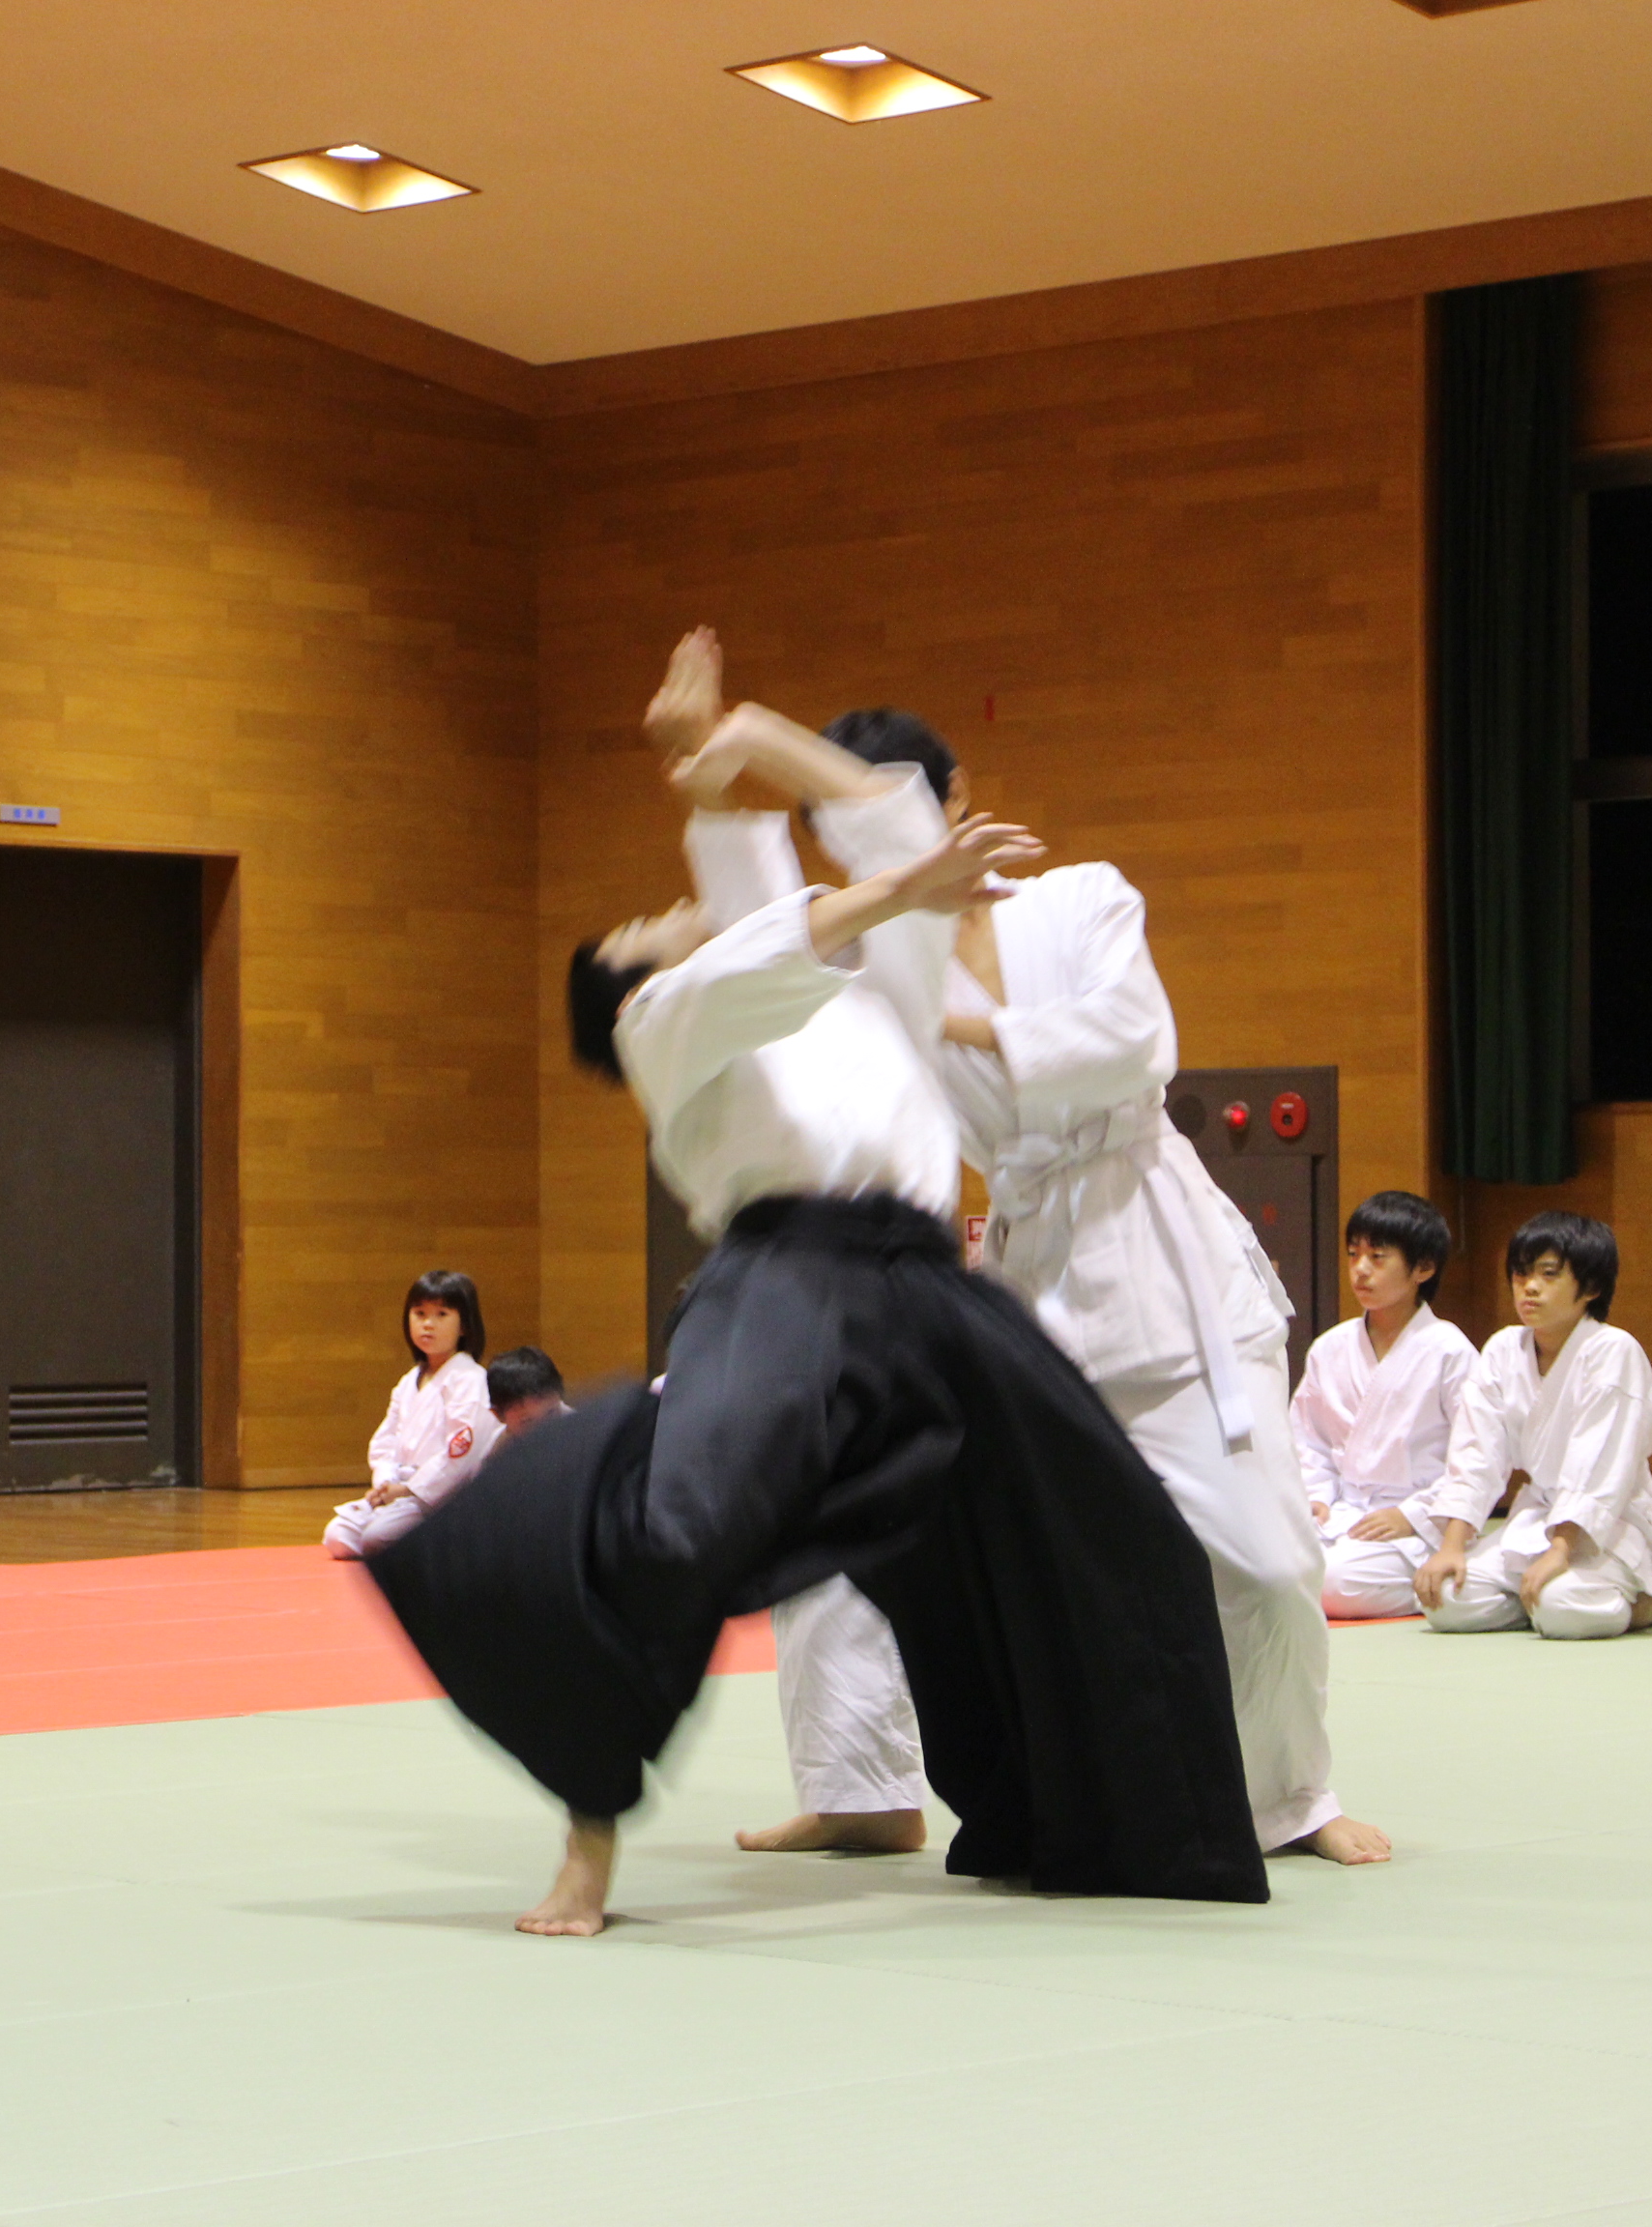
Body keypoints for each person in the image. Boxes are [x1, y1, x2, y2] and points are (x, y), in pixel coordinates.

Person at [373, 643, 1266, 1934]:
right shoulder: (663, 1025)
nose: (663, 912)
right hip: (787, 1283)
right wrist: (875, 868)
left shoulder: (857, 986)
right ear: (627, 984)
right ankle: (588, 1838)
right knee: (678, 1531)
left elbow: (826, 851)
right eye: (639, 929)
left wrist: (723, 746)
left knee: (1112, 1524)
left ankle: (1096, 1821)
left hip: (930, 1288)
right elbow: (775, 935)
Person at [804, 674, 1385, 1865]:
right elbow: (767, 953)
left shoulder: (1080, 899)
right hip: (1032, 1287)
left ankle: (1289, 1799)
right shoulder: (876, 972)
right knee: (981, 1566)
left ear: (956, 798)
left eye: (897, 814)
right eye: (850, 837)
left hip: (1165, 1260)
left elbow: (1136, 1043)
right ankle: (982, 1792)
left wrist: (962, 1026)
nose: (884, 850)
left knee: (1271, 1563)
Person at [1412, 1212, 1652, 1639]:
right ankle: (1533, 1599)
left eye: (1548, 1274)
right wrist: (1452, 1547)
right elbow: (1476, 1455)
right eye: (1521, 1273)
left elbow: (1600, 1465)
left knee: (1563, 1609)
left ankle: (1640, 1605)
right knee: (1445, 1599)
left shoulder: (1613, 1351)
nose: (1529, 1287)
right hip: (1539, 1516)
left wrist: (1561, 1551)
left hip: (1609, 1524)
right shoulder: (1503, 1349)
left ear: (1591, 1286)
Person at [1292, 1192, 1478, 1620]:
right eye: (1353, 1254)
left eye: (1377, 1257)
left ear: (1423, 1268)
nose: (1360, 1269)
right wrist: (1315, 1497)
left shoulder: (1450, 1351)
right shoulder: (1331, 1348)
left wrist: (1411, 1515)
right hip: (1340, 1513)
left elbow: (1476, 1456)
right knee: (1260, 1559)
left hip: (1415, 1523)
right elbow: (1307, 1441)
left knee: (1333, 1581)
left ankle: (1428, 1585)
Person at [323, 1272, 496, 1562]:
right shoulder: (409, 1380)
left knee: (377, 1538)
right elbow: (386, 1440)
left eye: (441, 1314)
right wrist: (385, 1484)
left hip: (440, 1495)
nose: (428, 1323)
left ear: (465, 1325)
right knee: (337, 1536)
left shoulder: (470, 1379)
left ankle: (449, 1539)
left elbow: (460, 1453)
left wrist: (409, 1490)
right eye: (420, 1313)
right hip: (399, 1488)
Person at [484, 1346, 568, 1437]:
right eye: (527, 1421)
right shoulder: (500, 1444)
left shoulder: (578, 1433)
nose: (545, 1429)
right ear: (498, 1415)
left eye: (551, 1414)